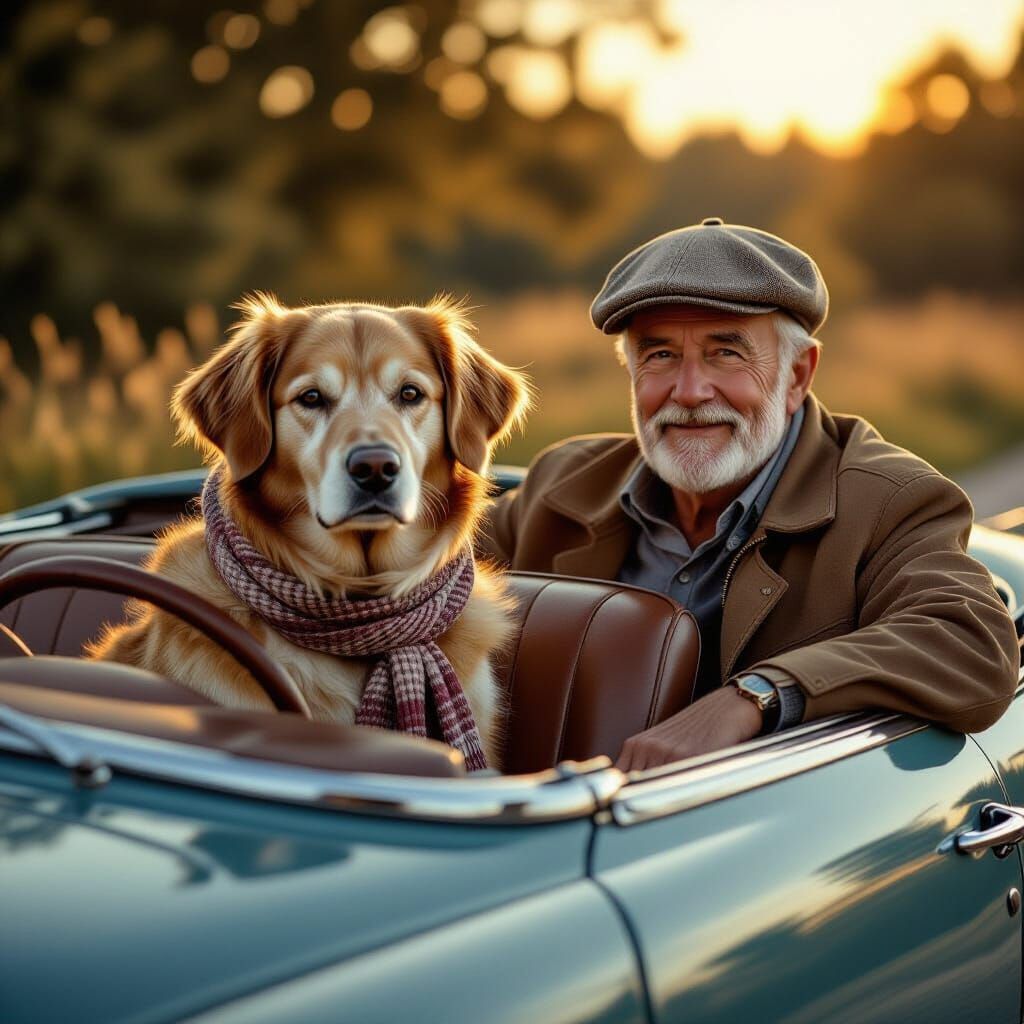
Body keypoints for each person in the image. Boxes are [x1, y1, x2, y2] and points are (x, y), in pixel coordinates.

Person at [480, 217, 1020, 770]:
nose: (689, 392)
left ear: (797, 375)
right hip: (550, 827)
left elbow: (972, 642)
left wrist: (756, 697)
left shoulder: (891, 500)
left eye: (726, 353)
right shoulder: (563, 482)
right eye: (659, 355)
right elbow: (421, 578)